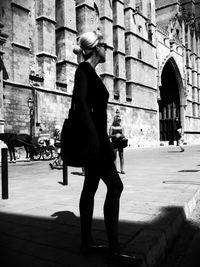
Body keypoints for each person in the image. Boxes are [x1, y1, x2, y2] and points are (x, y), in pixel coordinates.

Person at [71, 30, 142, 265]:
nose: (107, 48)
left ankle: (85, 242)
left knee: (90, 187)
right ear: (94, 48)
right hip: (96, 142)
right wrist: (95, 139)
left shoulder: (91, 73)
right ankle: (114, 248)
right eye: (104, 45)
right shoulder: (83, 71)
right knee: (116, 186)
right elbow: (80, 104)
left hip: (98, 140)